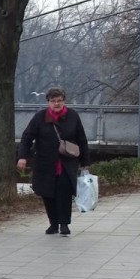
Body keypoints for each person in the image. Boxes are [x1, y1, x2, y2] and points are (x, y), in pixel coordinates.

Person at [17, 86, 90, 236]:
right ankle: (53, 223)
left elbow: (82, 139)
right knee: (48, 193)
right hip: (45, 163)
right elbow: (27, 137)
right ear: (48, 102)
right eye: (53, 101)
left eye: (59, 100)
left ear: (64, 101)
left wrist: (85, 162)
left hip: (66, 163)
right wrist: (22, 156)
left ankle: (64, 224)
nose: (56, 104)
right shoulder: (40, 117)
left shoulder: (73, 116)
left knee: (64, 191)